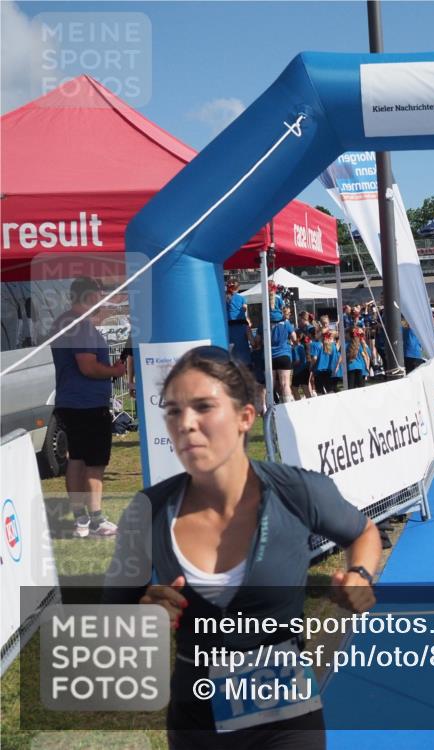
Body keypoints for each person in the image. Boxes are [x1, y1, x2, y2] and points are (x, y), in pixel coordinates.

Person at [103, 346, 380, 747]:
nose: (186, 424)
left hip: (284, 713)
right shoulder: (147, 511)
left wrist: (360, 574)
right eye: (174, 411)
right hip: (195, 717)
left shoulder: (297, 492)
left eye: (203, 407)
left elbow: (363, 532)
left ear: (244, 417)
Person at [50, 277, 127, 538]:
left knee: (77, 459)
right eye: (100, 293)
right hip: (87, 403)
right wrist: (114, 371)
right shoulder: (80, 326)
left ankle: (81, 520)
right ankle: (95, 519)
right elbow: (88, 366)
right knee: (94, 462)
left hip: (71, 401)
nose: (103, 298)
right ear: (90, 295)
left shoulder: (63, 321)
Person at [225, 281, 252, 365]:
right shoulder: (241, 298)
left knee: (231, 347)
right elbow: (244, 309)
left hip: (229, 326)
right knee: (243, 346)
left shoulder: (224, 298)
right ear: (238, 288)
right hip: (240, 324)